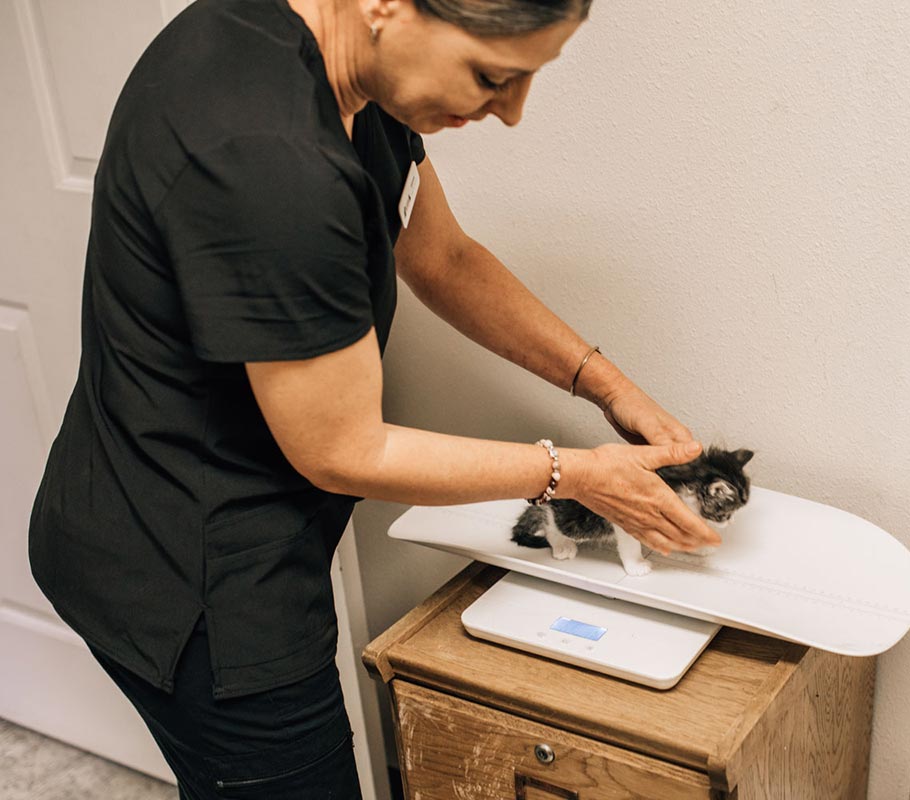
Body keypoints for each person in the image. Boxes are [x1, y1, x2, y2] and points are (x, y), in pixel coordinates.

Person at [27, 0, 720, 797]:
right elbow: (346, 450)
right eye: (493, 76)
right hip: (188, 577)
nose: (512, 113)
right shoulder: (268, 152)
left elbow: (445, 258)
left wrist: (609, 387)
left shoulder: (355, 77)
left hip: (181, 511)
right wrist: (576, 475)